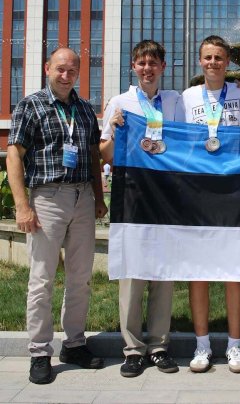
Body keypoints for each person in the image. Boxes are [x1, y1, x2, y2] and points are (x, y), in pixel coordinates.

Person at [6, 47, 108, 385]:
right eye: (60, 69)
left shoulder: (84, 109)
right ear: (47, 68)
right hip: (47, 198)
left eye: (72, 70)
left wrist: (98, 197)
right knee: (42, 278)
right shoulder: (31, 105)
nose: (66, 76)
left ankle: (74, 344)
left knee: (80, 277)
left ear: (78, 72)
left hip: (82, 197)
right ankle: (39, 351)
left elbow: (93, 155)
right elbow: (14, 155)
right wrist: (22, 205)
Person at [100, 40, 180, 378]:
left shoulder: (174, 101)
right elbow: (105, 154)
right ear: (133, 67)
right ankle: (133, 350)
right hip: (132, 193)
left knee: (163, 274)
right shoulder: (119, 103)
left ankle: (159, 346)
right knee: (132, 274)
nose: (147, 68)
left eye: (153, 63)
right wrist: (117, 131)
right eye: (141, 63)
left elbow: (186, 142)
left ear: (163, 67)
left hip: (166, 196)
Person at [175, 35, 240, 373]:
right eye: (207, 57)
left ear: (228, 61)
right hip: (198, 192)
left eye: (219, 57)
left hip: (233, 191)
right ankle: (202, 345)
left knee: (234, 270)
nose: (213, 63)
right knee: (199, 271)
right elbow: (175, 139)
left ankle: (235, 345)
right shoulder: (186, 97)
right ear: (200, 61)